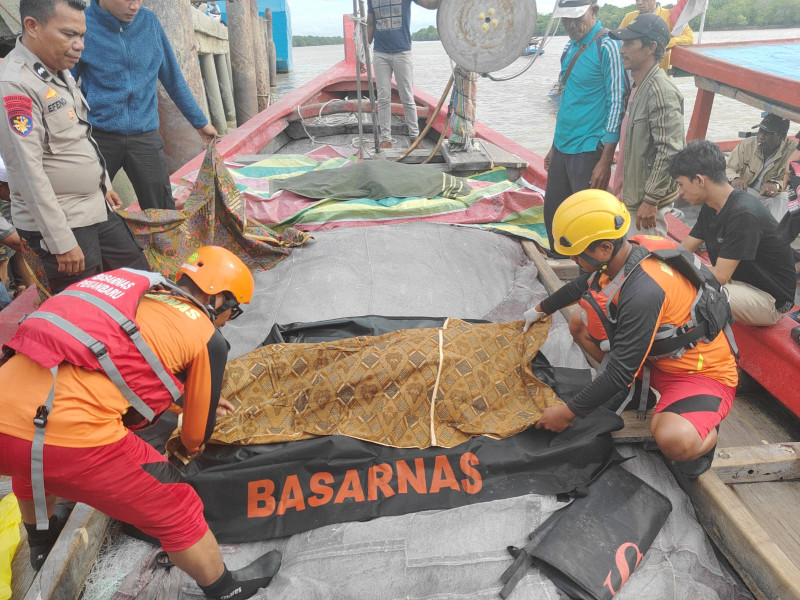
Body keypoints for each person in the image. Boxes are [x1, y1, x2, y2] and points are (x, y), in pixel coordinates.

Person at [0, 246, 282, 599]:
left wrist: (180, 402)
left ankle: (41, 542)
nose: (226, 321)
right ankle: (226, 588)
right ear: (220, 297)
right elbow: (195, 434)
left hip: (4, 417)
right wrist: (191, 439)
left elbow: (108, 356)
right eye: (233, 311)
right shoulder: (208, 336)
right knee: (177, 504)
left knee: (28, 465)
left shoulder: (126, 285)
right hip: (75, 439)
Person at [523, 190, 738, 478]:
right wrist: (539, 310)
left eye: (577, 253)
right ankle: (644, 395)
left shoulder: (644, 290)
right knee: (578, 323)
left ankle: (703, 428)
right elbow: (582, 285)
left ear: (604, 248)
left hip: (699, 373)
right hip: (656, 359)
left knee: (673, 440)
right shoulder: (624, 255)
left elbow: (620, 372)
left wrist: (567, 414)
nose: (574, 259)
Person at [0, 0, 150, 296]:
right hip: (64, 222)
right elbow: (27, 174)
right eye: (69, 35)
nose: (79, 45)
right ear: (32, 26)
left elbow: (80, 135)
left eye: (82, 36)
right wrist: (61, 242)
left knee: (138, 278)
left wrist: (103, 183)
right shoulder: (16, 85)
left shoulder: (55, 69)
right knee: (85, 305)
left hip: (94, 206)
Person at [73, 0, 217, 211]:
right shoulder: (82, 25)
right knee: (91, 207)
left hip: (145, 134)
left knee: (162, 209)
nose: (135, 6)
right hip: (99, 136)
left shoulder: (149, 23)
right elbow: (63, 81)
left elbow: (173, 78)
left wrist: (200, 122)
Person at [673, 140, 796, 327]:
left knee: (692, 294)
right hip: (738, 282)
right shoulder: (711, 205)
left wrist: (672, 274)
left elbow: (719, 276)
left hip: (769, 300)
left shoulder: (743, 213)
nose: (680, 192)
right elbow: (683, 250)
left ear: (699, 180)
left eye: (681, 185)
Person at [543, 0, 626, 253]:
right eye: (566, 19)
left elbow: (617, 101)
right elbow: (567, 99)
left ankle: (590, 278)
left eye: (577, 18)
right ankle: (559, 263)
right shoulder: (570, 46)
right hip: (562, 146)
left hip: (589, 148)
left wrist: (605, 159)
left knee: (588, 220)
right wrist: (552, 146)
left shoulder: (608, 46)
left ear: (594, 11)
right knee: (555, 215)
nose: (571, 24)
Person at [608, 13, 684, 237]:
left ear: (651, 47)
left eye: (630, 43)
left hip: (646, 206)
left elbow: (671, 150)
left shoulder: (660, 91)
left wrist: (651, 200)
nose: (622, 50)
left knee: (644, 264)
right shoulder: (638, 87)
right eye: (622, 44)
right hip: (631, 198)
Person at [367, 0, 440, 151]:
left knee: (407, 96)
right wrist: (363, 51)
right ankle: (386, 139)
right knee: (383, 98)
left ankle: (414, 138)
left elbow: (429, 4)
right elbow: (370, 24)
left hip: (402, 52)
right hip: (380, 53)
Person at [727, 113, 795, 222]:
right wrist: (734, 178)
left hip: (771, 200)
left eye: (767, 133)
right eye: (760, 131)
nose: (761, 137)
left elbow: (794, 183)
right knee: (728, 189)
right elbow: (727, 168)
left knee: (784, 198)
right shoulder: (747, 144)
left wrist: (776, 186)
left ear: (782, 136)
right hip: (748, 194)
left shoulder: (793, 151)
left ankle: (776, 236)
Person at [618, 0, 694, 73]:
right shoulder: (630, 17)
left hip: (660, 72)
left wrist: (664, 44)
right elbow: (618, 40)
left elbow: (689, 38)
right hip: (633, 73)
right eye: (637, 0)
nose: (639, 3)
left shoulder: (669, 15)